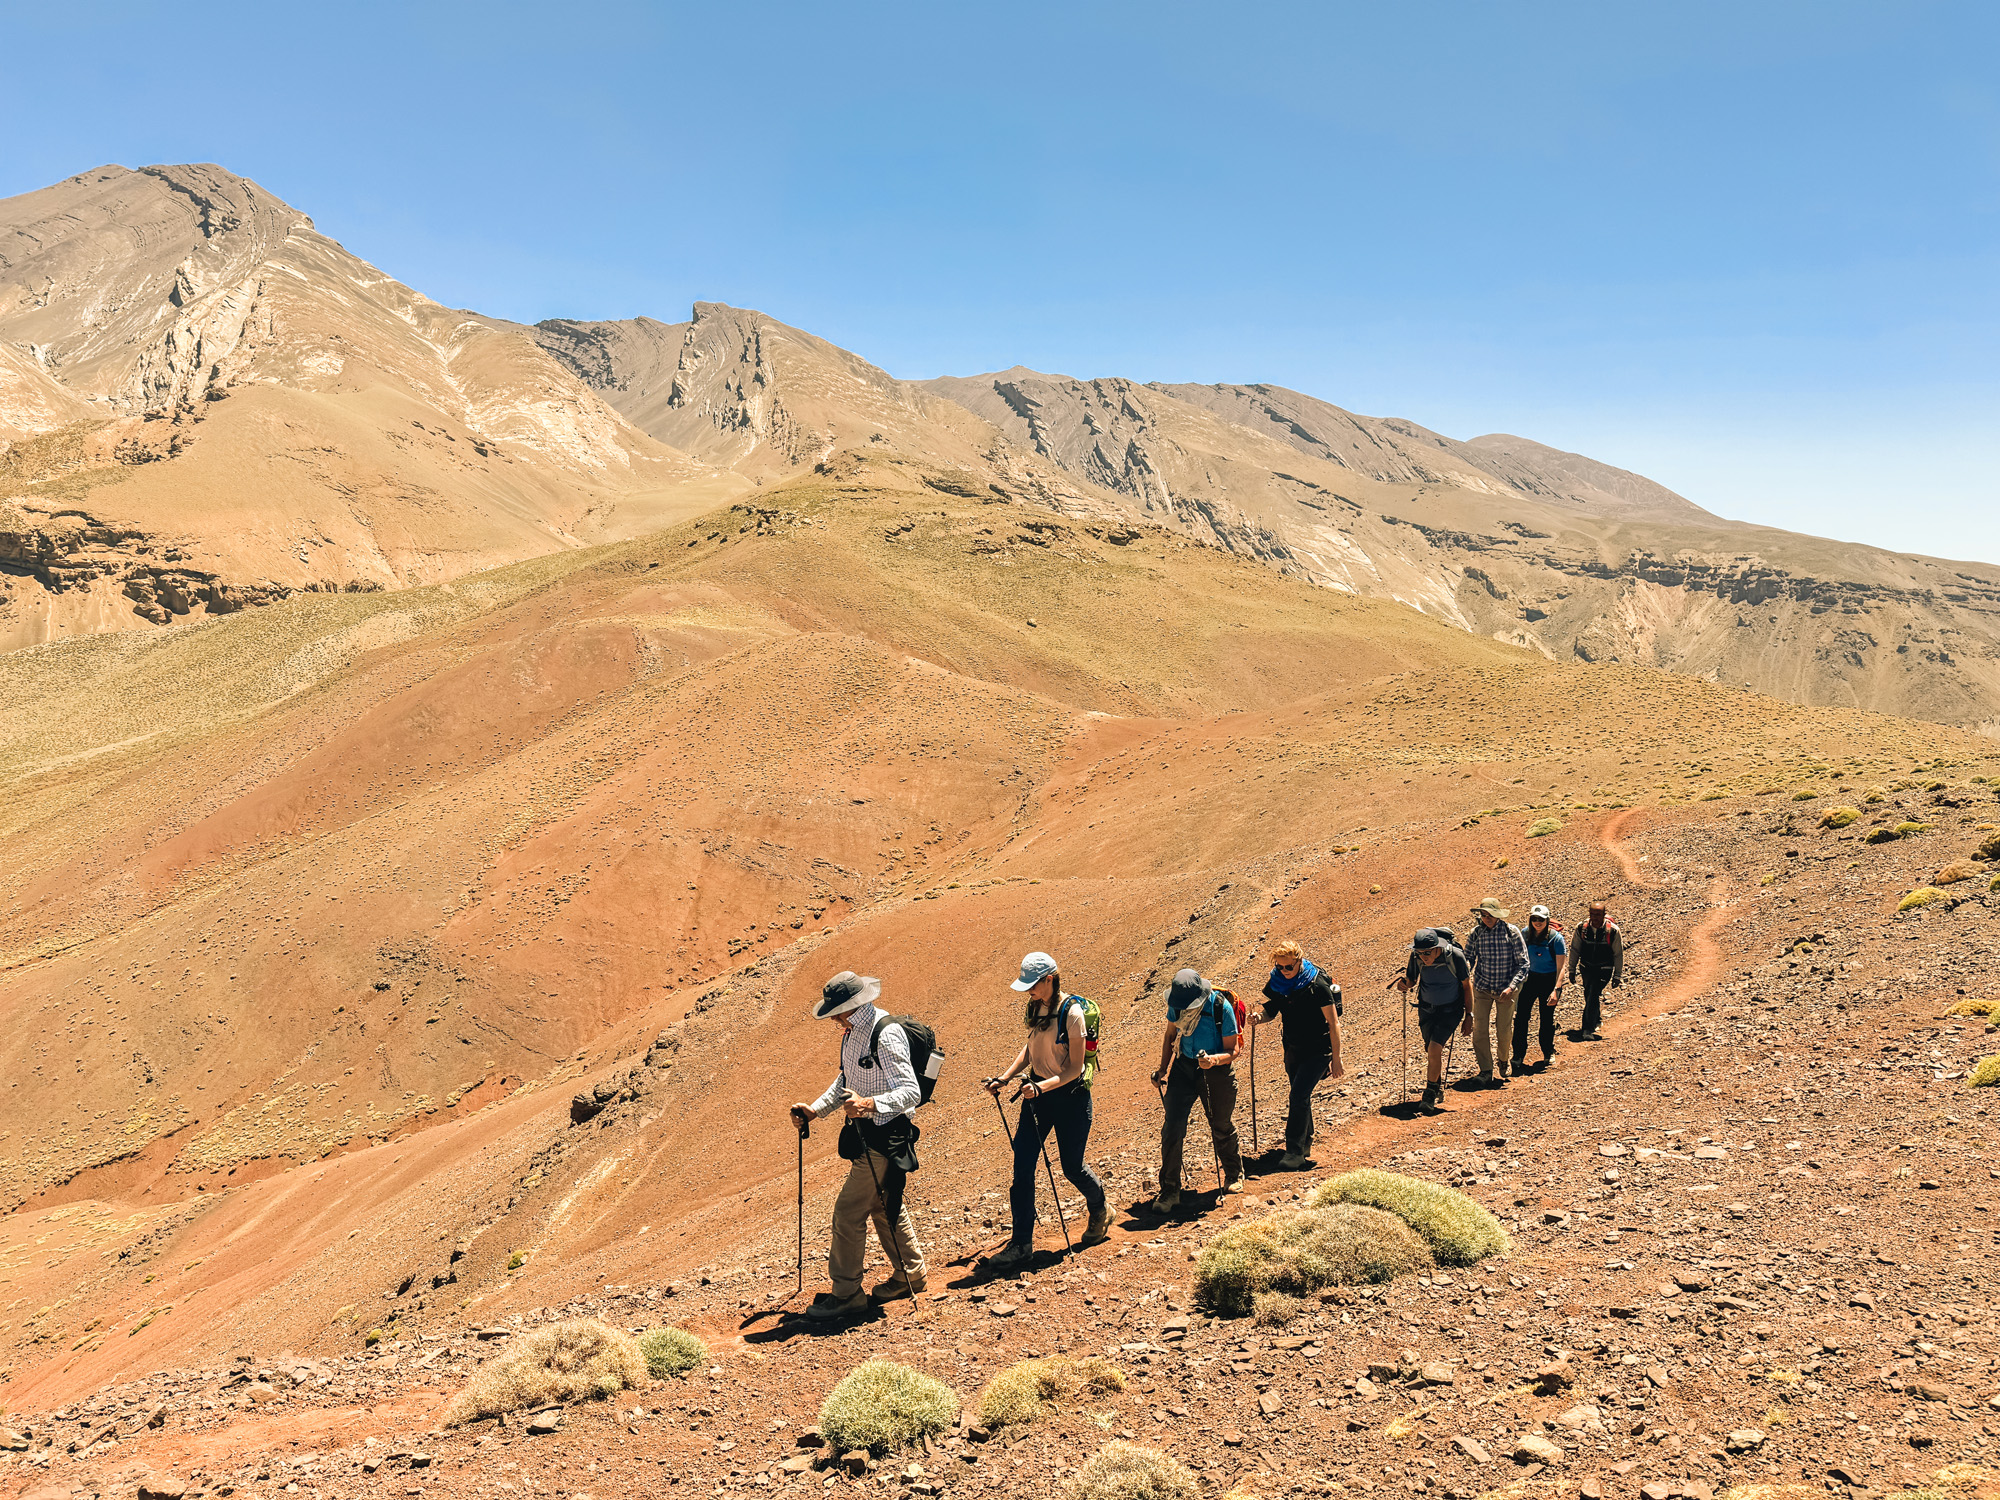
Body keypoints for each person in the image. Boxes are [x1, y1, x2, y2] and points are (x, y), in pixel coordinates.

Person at [788, 971, 927, 1318]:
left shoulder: (885, 1033)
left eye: (836, 1012)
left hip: (885, 1136)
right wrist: (815, 1110)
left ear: (850, 1007)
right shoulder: (852, 1033)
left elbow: (911, 1092)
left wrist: (869, 1104)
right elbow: (846, 1079)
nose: (833, 1019)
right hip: (869, 1135)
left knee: (848, 1213)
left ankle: (847, 1294)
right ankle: (910, 1274)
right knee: (882, 1204)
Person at [983, 951, 1110, 1266]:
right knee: (1022, 1167)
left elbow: (1075, 1069)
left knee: (1072, 1168)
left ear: (1049, 979)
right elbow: (1031, 1048)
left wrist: (1041, 1087)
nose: (1028, 990)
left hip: (1070, 1098)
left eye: (1032, 984)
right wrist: (1005, 1077)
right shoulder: (1036, 1006)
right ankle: (1021, 1244)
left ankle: (1100, 1208)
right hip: (1037, 1096)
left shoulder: (1073, 1014)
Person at [1149, 967, 1244, 1212]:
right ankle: (1170, 1189)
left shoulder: (1220, 1007)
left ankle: (1233, 1173)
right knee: (1172, 1128)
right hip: (1184, 1066)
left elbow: (1233, 1049)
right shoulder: (1177, 1005)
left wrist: (1213, 1060)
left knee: (1220, 1123)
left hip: (1216, 1070)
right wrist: (1163, 1069)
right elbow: (1170, 1036)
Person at [1249, 939, 1344, 1169]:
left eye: (1289, 966)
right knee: (1300, 1096)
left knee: (1298, 1096)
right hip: (1293, 1048)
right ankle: (1305, 1142)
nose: (1284, 971)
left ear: (1299, 961)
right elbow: (1273, 1008)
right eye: (1279, 966)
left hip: (1318, 1050)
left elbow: (1333, 1023)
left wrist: (1336, 1058)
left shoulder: (1317, 985)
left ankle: (1294, 1152)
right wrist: (1259, 1018)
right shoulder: (1279, 982)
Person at [1394, 929, 1473, 1109]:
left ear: (1438, 948)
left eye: (1427, 953)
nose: (1424, 957)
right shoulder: (1416, 957)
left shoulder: (1455, 956)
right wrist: (1404, 984)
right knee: (1430, 1050)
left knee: (1434, 1048)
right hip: (1426, 1009)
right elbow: (1412, 979)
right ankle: (1436, 1086)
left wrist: (1469, 1015)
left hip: (1451, 1010)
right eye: (1420, 953)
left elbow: (1467, 986)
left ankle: (1429, 1095)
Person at [1464, 897, 1528, 1085]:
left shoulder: (1511, 932)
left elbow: (1523, 964)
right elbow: (1469, 957)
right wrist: (1464, 972)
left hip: (1505, 989)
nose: (1487, 918)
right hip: (1482, 987)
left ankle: (1503, 1059)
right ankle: (1485, 1070)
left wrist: (1512, 987)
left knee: (1504, 1029)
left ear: (1498, 915)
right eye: (1484, 915)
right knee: (1479, 1030)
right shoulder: (1476, 933)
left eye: (1490, 915)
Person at [1509, 904, 1566, 1072]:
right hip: (1529, 979)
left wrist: (1556, 989)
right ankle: (1518, 1055)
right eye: (1534, 918)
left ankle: (1548, 1051)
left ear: (1547, 920)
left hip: (1549, 981)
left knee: (1546, 1018)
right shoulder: (1524, 934)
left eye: (1541, 919)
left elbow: (1561, 966)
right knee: (1521, 1018)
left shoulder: (1556, 939)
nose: (1537, 922)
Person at [1565, 902, 1625, 1039]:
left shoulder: (1613, 931)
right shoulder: (1582, 928)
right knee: (1589, 994)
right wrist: (1572, 970)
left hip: (1604, 969)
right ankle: (1596, 1018)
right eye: (1592, 914)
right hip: (1586, 968)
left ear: (1604, 914)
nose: (1594, 917)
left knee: (1592, 993)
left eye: (1598, 914)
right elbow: (1575, 949)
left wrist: (1617, 975)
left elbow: (1618, 954)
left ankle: (1587, 1029)